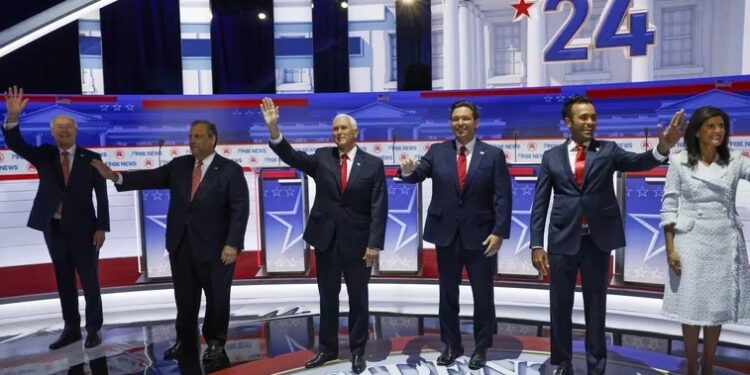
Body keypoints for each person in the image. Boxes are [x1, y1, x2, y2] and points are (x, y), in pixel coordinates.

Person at [529, 95, 684, 375]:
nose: (590, 122)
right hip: (562, 240)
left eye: (593, 117)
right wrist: (537, 243)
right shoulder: (550, 156)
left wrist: (663, 147)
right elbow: (540, 203)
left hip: (597, 241)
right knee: (559, 307)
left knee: (596, 308)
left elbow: (640, 162)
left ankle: (596, 366)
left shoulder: (609, 150)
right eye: (583, 117)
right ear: (568, 122)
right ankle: (562, 363)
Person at [91, 120, 249, 365]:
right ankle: (185, 340)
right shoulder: (180, 165)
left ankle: (216, 343)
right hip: (181, 246)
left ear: (212, 139)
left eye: (198, 136)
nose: (192, 141)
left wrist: (233, 243)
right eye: (190, 136)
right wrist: (116, 176)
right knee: (185, 298)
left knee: (218, 298)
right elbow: (151, 177)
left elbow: (240, 209)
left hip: (217, 249)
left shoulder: (230, 170)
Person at [260, 98, 387, 374]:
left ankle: (357, 351)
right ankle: (327, 350)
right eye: (335, 129)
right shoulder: (322, 157)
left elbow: (379, 205)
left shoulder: (373, 164)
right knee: (327, 297)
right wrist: (274, 130)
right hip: (326, 240)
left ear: (356, 132)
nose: (338, 133)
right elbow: (293, 158)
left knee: (358, 299)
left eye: (343, 128)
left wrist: (375, 244)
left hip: (358, 243)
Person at [399, 100, 512, 370]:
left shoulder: (493, 155)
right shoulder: (437, 151)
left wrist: (499, 232)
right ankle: (452, 344)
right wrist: (407, 170)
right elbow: (418, 174)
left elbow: (503, 198)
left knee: (483, 296)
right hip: (446, 236)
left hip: (481, 238)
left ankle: (481, 347)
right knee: (447, 295)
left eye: (465, 118)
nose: (459, 123)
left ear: (476, 122)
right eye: (455, 119)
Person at [2, 86, 109, 350]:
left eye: (68, 127)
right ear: (52, 132)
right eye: (59, 127)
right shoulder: (45, 155)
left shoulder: (92, 159)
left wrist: (102, 227)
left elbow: (102, 196)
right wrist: (12, 117)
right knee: (63, 280)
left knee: (90, 281)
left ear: (76, 131)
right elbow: (15, 143)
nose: (64, 131)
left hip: (86, 231)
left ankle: (93, 329)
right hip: (54, 228)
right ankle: (71, 329)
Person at [661, 106, 750, 375]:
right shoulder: (679, 160)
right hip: (690, 240)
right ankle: (691, 364)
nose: (718, 131)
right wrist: (670, 248)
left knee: (714, 307)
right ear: (697, 131)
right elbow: (669, 204)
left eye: (721, 125)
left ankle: (708, 363)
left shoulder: (735, 160)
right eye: (711, 126)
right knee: (691, 306)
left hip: (724, 240)